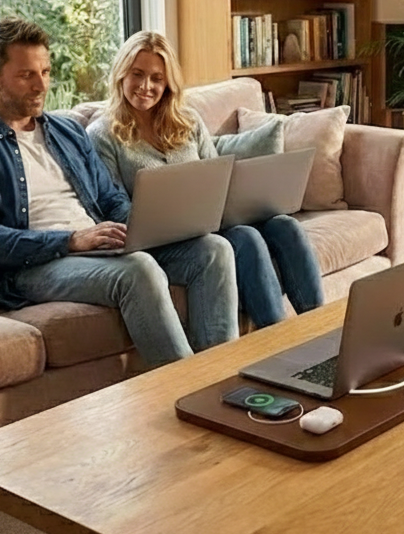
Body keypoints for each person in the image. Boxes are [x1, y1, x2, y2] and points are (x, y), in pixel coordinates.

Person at [0, 17, 239, 367]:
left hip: (99, 245)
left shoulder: (66, 132)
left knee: (213, 249)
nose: (40, 85)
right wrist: (71, 240)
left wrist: (150, 229)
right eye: (26, 75)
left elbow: (109, 199)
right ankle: (188, 389)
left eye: (45, 72)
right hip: (34, 265)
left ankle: (221, 375)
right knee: (138, 269)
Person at [87, 30, 324, 328]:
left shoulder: (187, 122)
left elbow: (218, 176)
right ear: (121, 74)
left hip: (211, 222)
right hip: (164, 241)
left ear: (168, 83)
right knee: (247, 238)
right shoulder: (102, 134)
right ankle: (277, 345)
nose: (146, 86)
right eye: (137, 74)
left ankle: (320, 333)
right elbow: (114, 209)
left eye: (157, 78)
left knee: (284, 225)